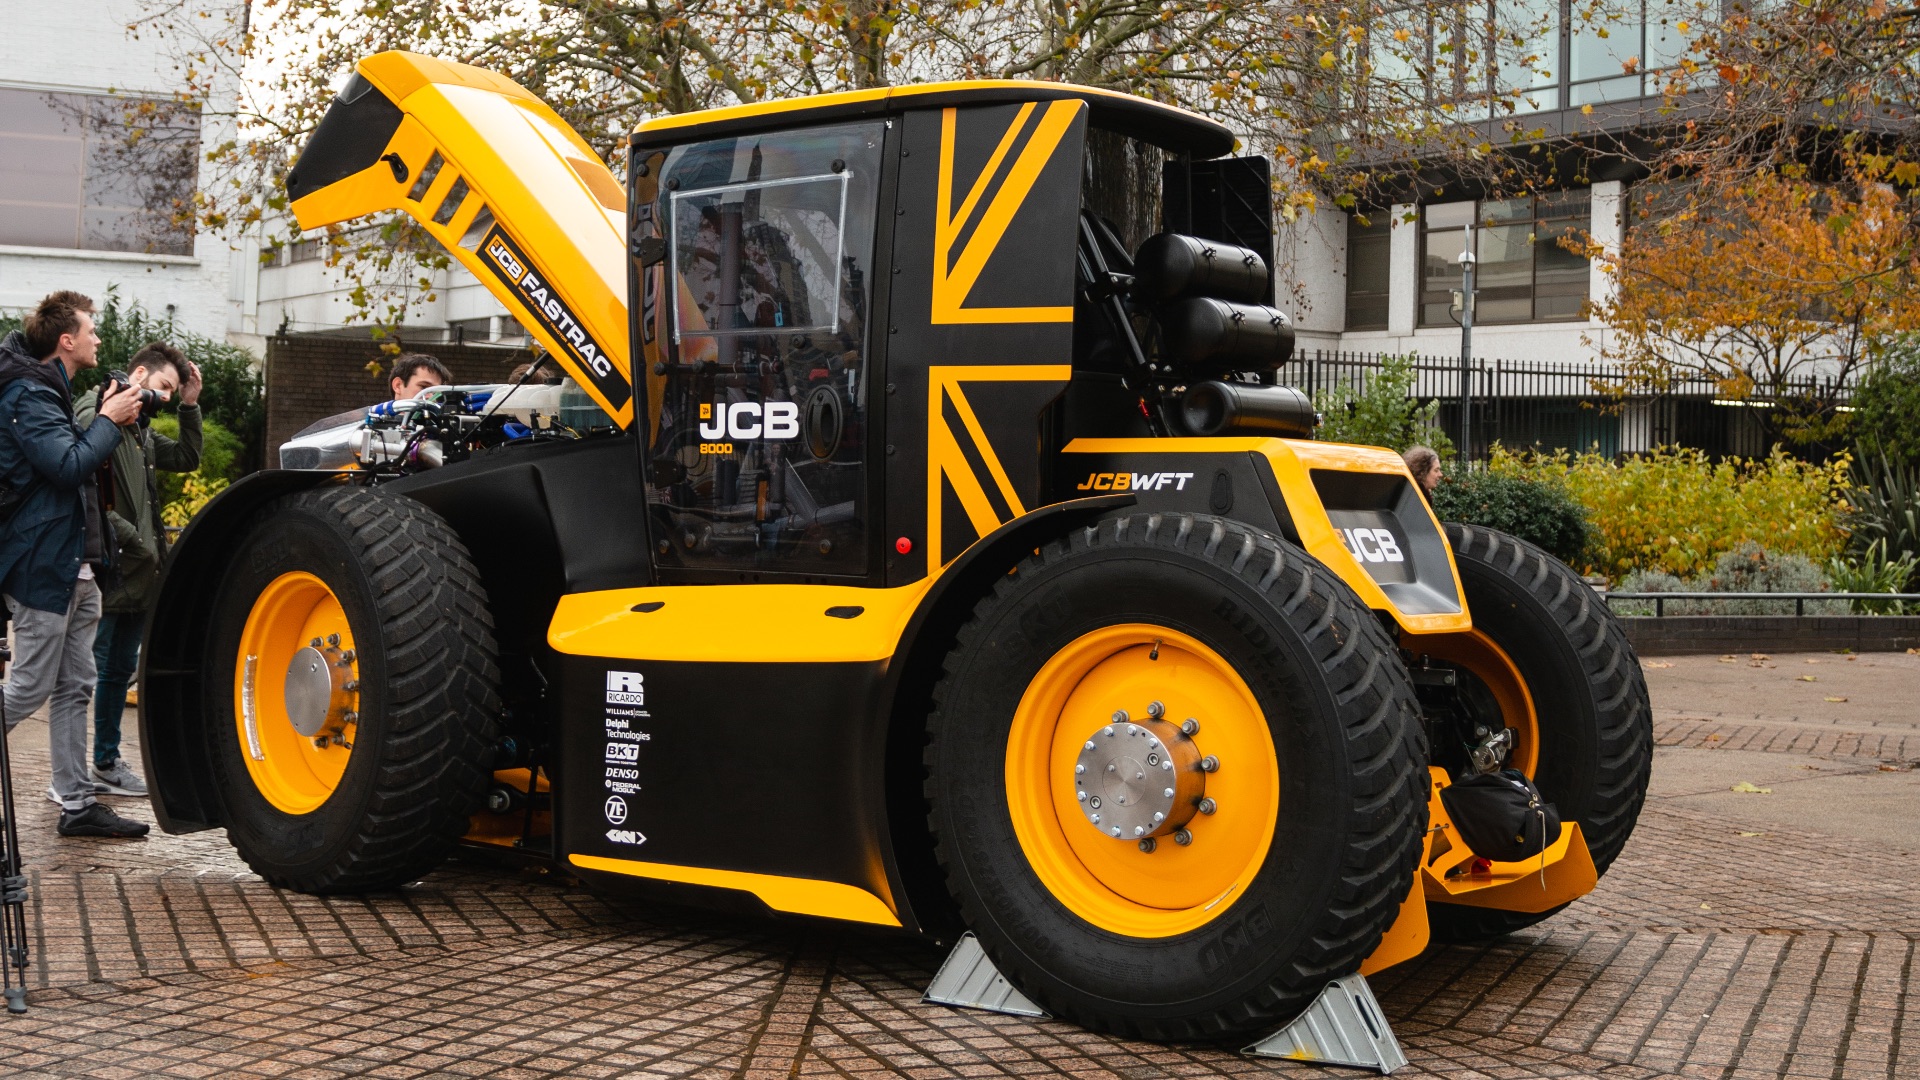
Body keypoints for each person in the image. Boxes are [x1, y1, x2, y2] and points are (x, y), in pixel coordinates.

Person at [0, 291, 147, 838]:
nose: (98, 339)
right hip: (43, 563)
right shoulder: (26, 395)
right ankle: (77, 800)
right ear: (67, 340)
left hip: (76, 564)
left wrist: (111, 415)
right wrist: (107, 418)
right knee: (29, 687)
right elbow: (66, 467)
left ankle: (78, 803)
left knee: (75, 686)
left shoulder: (51, 390)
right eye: (91, 330)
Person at [74, 342, 202, 797]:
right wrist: (135, 541)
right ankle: (91, 767)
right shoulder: (99, 415)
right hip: (111, 569)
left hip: (139, 574)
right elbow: (82, 492)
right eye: (165, 387)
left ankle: (104, 762)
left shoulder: (140, 430)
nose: (165, 397)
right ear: (141, 375)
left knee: (116, 669)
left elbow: (188, 458)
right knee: (90, 674)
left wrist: (189, 405)